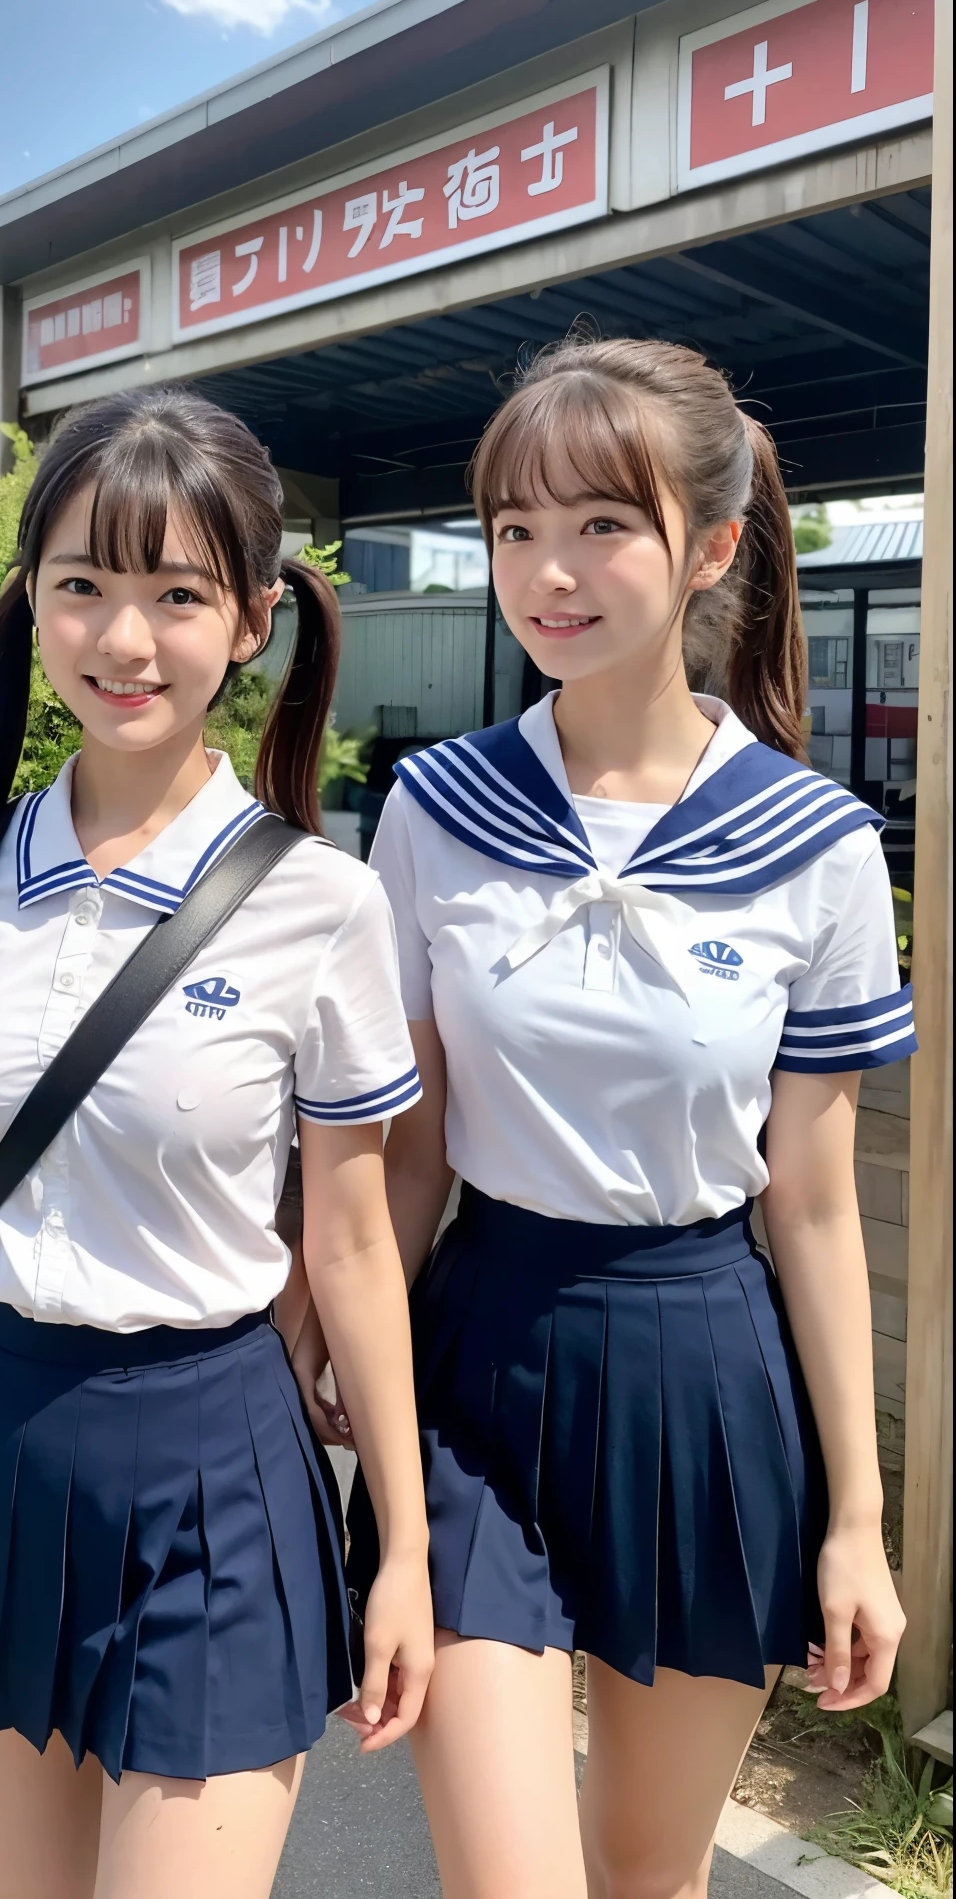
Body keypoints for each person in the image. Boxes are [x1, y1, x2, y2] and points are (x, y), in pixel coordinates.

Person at [292, 337, 914, 1899]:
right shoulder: (440, 807)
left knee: (650, 1877)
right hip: (478, 1359)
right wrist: (322, 1322)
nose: (546, 573)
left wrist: (858, 1519)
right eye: (513, 528)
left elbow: (814, 1206)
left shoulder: (817, 844)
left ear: (708, 549)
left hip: (707, 1375)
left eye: (599, 527)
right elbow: (410, 1141)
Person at [0, 386, 434, 1899]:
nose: (123, 639)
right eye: (83, 585)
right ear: (30, 600)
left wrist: (404, 1549)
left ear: (249, 623)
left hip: (215, 1460)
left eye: (178, 593)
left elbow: (350, 1241)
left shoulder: (320, 902)